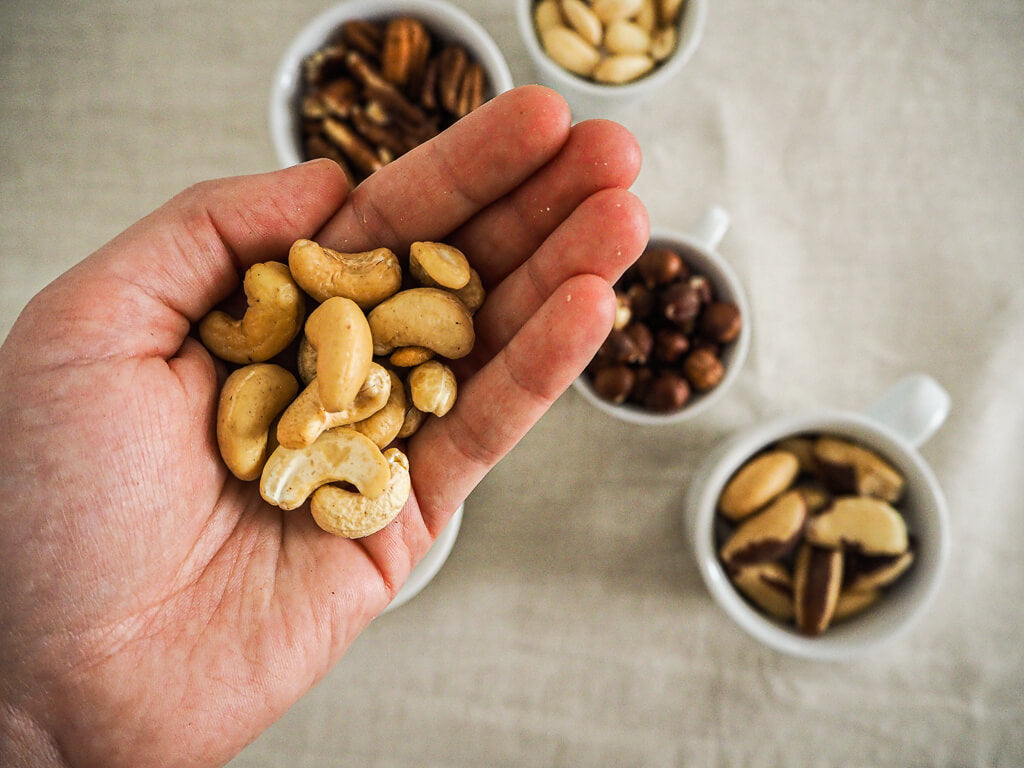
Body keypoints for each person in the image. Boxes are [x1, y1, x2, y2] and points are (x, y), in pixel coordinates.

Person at [0, 85, 647, 768]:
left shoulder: (365, 386)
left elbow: (357, 375)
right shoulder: (319, 387)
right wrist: (31, 712)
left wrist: (36, 722)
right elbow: (332, 371)